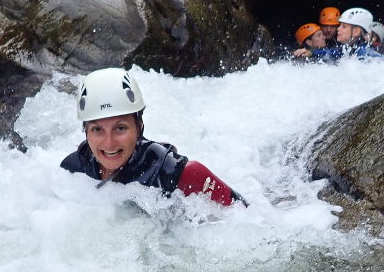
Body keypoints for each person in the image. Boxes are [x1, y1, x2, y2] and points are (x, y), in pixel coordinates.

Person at [61, 68, 246, 206]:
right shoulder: (74, 168)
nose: (109, 143)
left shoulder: (175, 173)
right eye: (97, 130)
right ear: (85, 131)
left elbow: (244, 219)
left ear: (139, 127)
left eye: (120, 128)